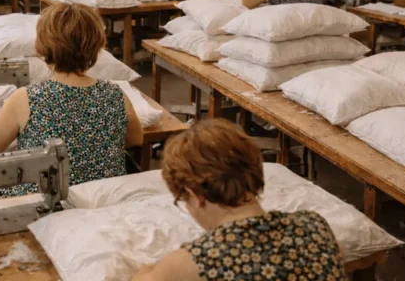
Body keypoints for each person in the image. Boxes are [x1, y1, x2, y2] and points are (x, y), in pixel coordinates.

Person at [131, 119, 346, 281]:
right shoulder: (315, 226)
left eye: (182, 200)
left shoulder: (196, 260)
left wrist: (147, 271)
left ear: (195, 196)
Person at [0, 3, 144, 198]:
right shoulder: (116, 94)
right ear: (98, 46)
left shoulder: (26, 98)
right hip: (99, 204)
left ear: (41, 47)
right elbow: (136, 139)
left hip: (44, 208)